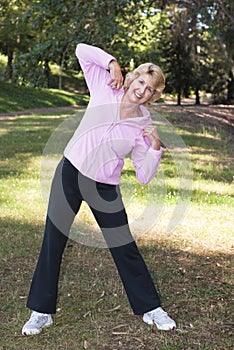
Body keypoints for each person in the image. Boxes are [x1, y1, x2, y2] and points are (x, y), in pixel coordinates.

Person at [22, 43, 176, 336]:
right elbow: (82, 50)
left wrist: (155, 148)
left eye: (150, 89)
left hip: (103, 186)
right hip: (69, 172)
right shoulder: (106, 88)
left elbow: (144, 175)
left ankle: (150, 308)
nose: (143, 90)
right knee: (53, 241)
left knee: (124, 246)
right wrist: (112, 62)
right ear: (133, 78)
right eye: (142, 81)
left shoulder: (144, 125)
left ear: (154, 96)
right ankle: (40, 312)